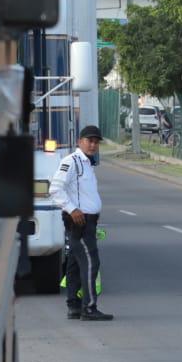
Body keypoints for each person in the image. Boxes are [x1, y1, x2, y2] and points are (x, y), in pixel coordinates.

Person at [50, 126, 113, 321]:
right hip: (79, 221)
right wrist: (72, 209)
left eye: (96, 142)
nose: (93, 144)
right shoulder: (72, 161)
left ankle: (74, 306)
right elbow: (55, 189)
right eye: (89, 140)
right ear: (80, 142)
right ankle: (89, 307)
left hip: (87, 220)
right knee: (90, 262)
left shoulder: (87, 163)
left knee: (75, 265)